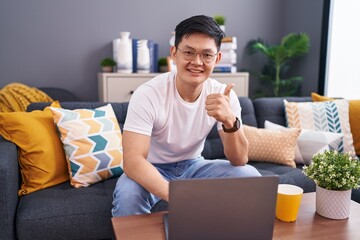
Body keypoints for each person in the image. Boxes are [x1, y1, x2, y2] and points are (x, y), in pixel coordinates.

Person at [112, 15, 261, 217]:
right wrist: (178, 197)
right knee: (128, 195)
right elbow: (133, 161)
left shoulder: (223, 95)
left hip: (194, 166)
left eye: (206, 55)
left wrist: (229, 121)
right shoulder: (148, 94)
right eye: (189, 52)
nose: (197, 62)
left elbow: (240, 159)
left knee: (250, 176)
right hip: (152, 167)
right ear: (174, 53)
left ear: (217, 59)